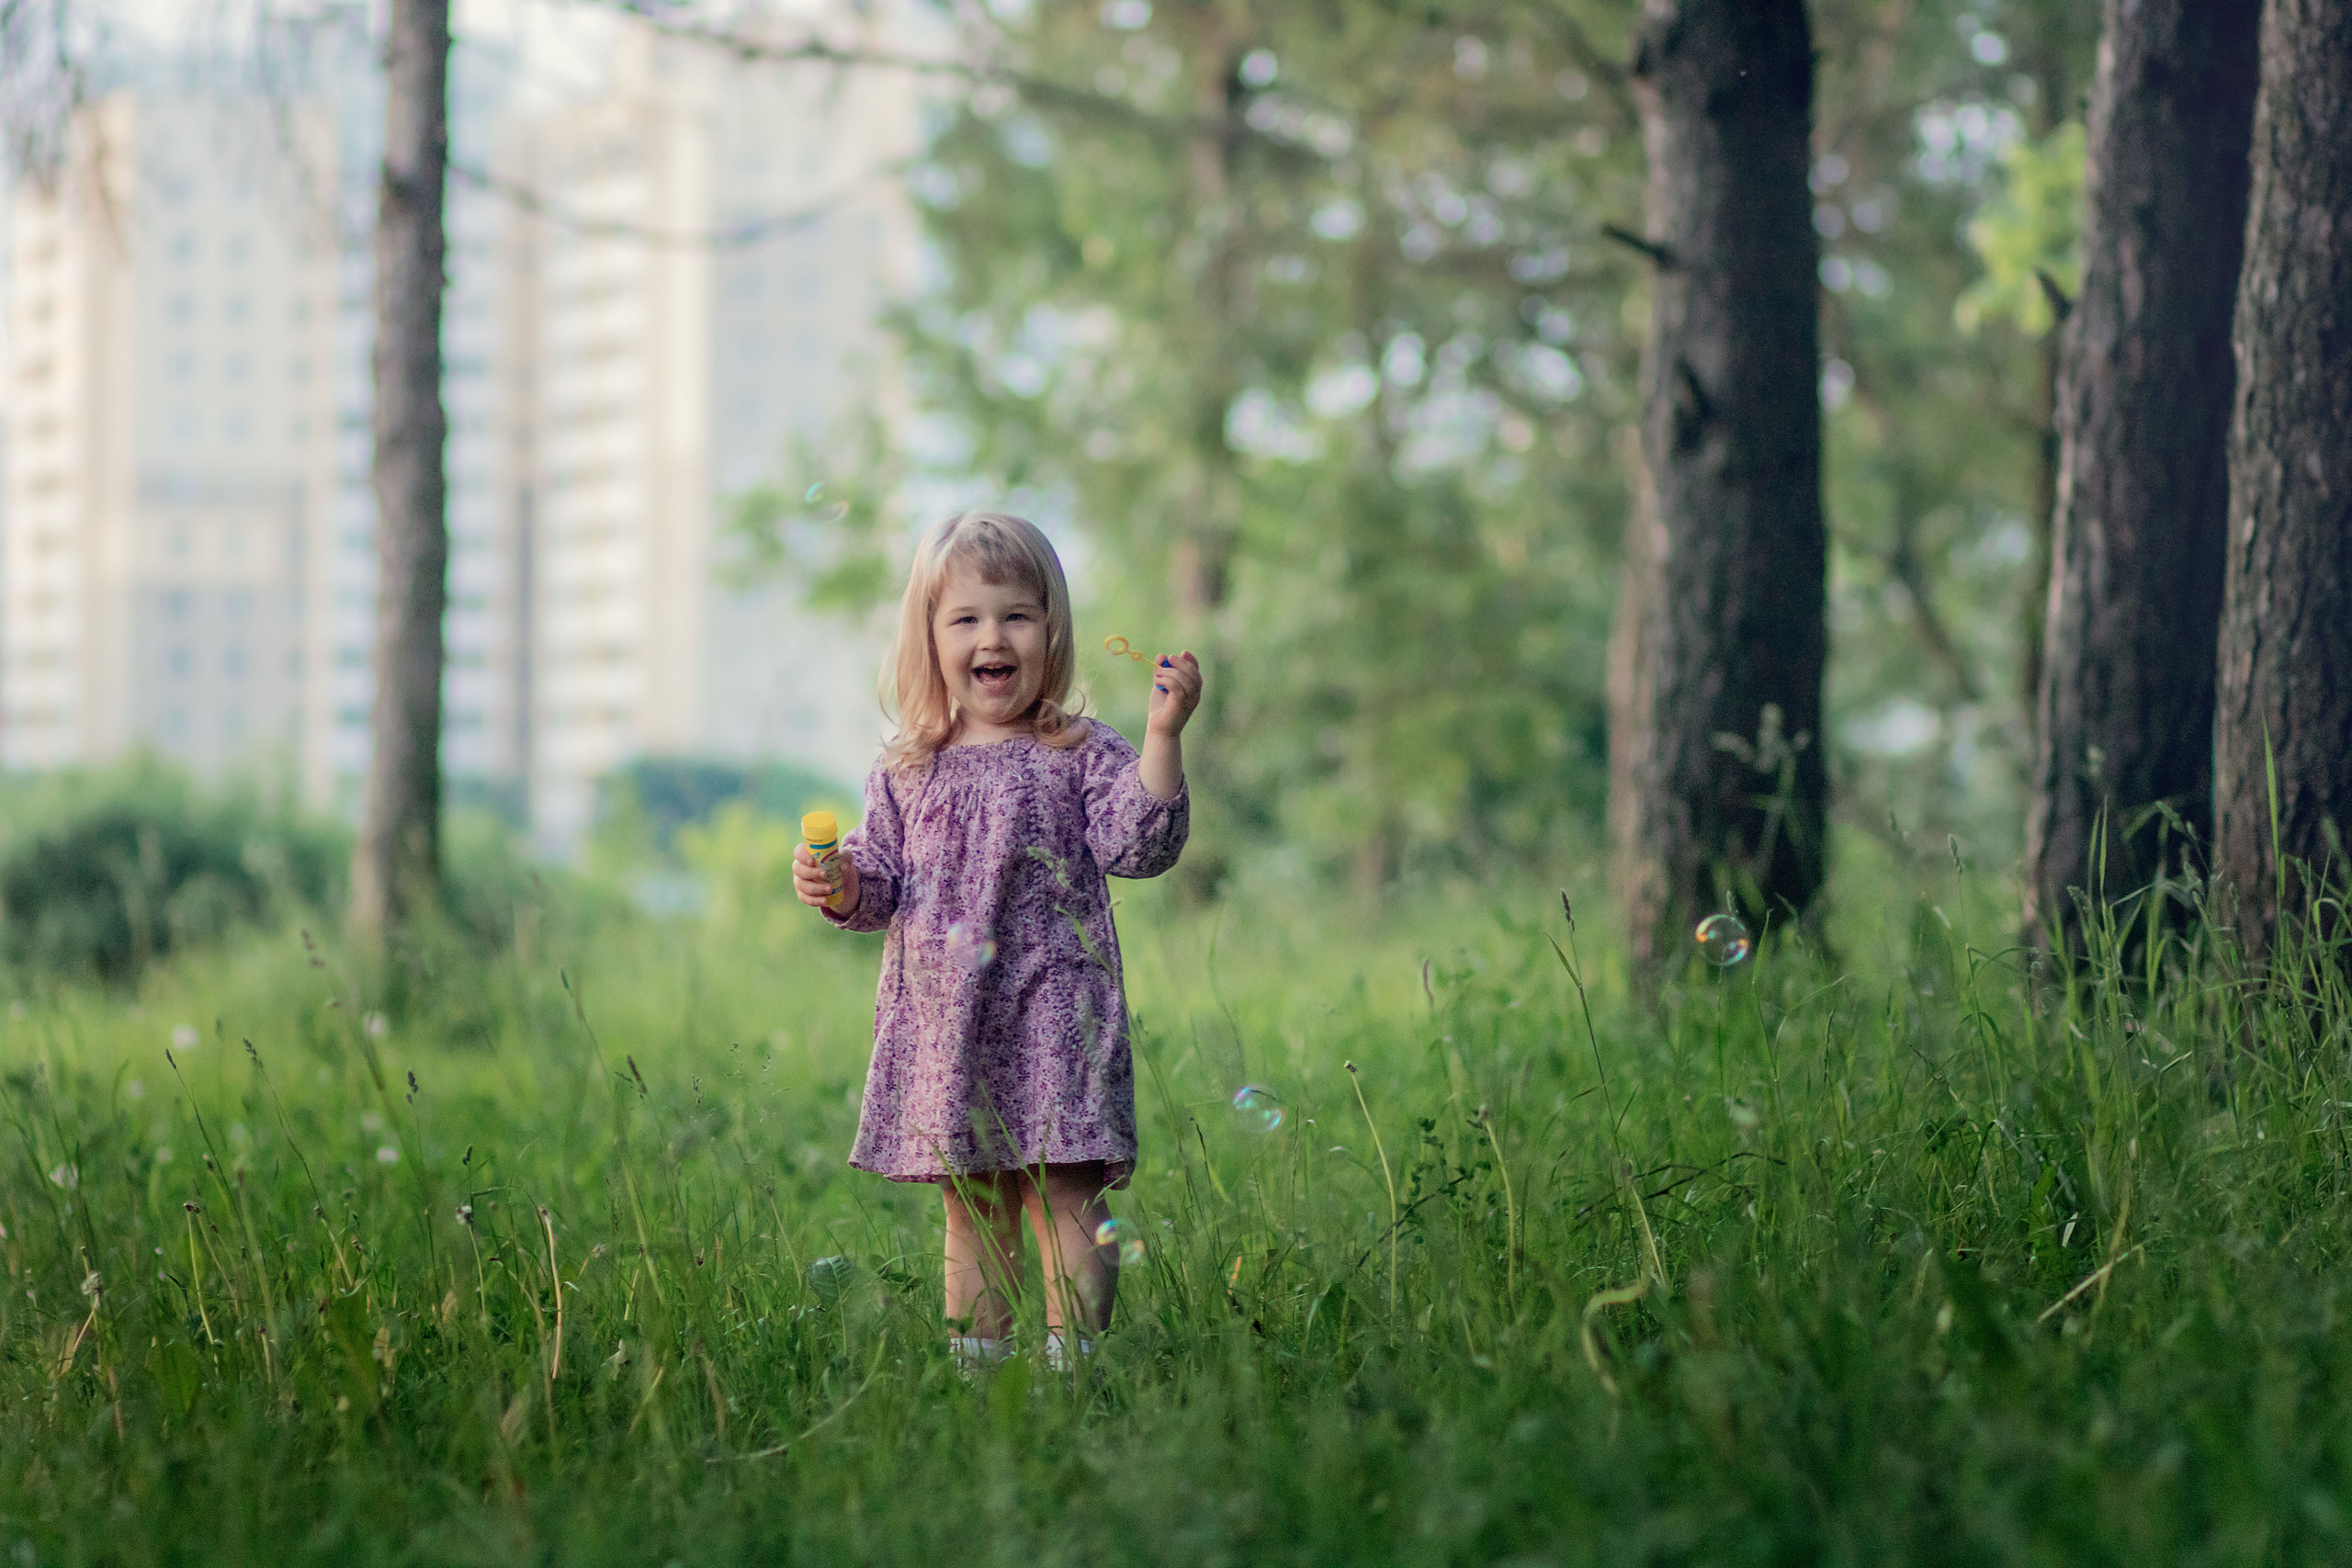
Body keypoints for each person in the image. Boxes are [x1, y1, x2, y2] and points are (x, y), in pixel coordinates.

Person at [792, 510, 1203, 1373]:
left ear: (1051, 632)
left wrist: (1163, 739)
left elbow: (1140, 843)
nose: (994, 636)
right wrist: (840, 882)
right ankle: (979, 1372)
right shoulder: (908, 766)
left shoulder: (1080, 752)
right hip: (953, 1024)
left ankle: (1073, 1365)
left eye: (1016, 614)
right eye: (967, 618)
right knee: (973, 1204)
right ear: (930, 639)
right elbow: (880, 882)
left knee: (1066, 1189)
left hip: (1056, 1008)